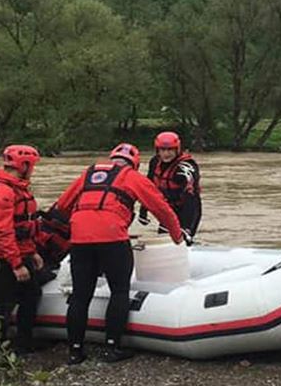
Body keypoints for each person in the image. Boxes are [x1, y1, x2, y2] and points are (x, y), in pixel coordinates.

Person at [53, 143, 184, 364]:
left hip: (80, 239)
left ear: (110, 159)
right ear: (134, 164)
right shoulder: (131, 177)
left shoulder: (89, 173)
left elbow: (62, 206)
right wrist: (176, 235)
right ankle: (112, 347)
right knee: (119, 291)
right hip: (112, 238)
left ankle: (75, 351)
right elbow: (160, 207)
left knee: (80, 295)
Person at [0, 144, 44, 354]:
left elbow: (24, 226)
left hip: (17, 251)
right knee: (2, 300)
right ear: (23, 165)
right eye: (31, 165)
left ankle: (23, 342)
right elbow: (2, 231)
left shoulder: (16, 188)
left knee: (31, 294)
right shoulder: (0, 191)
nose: (33, 169)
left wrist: (32, 251)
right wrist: (16, 264)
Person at [138, 131, 201, 241]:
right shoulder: (155, 162)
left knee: (182, 241)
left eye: (170, 150)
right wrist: (143, 211)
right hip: (168, 210)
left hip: (187, 209)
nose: (166, 154)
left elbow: (191, 197)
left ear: (177, 149)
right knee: (163, 239)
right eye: (163, 150)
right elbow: (149, 187)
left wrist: (186, 228)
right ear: (158, 150)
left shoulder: (185, 168)